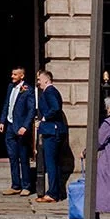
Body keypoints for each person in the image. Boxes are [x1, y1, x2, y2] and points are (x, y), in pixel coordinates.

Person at [0, 67, 36, 196]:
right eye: (12, 74)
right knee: (12, 157)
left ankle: (26, 185)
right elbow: (6, 105)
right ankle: (15, 185)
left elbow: (31, 110)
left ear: (22, 76)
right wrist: (2, 121)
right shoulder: (10, 87)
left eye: (15, 74)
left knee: (23, 157)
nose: (12, 76)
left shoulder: (28, 90)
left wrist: (25, 126)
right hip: (9, 126)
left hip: (21, 128)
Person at [34, 69, 66, 204]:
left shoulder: (50, 91)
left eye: (39, 79)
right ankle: (57, 192)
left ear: (46, 80)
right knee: (55, 163)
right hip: (54, 131)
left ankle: (52, 193)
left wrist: (44, 119)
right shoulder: (50, 92)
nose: (38, 82)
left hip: (52, 132)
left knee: (51, 163)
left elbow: (55, 107)